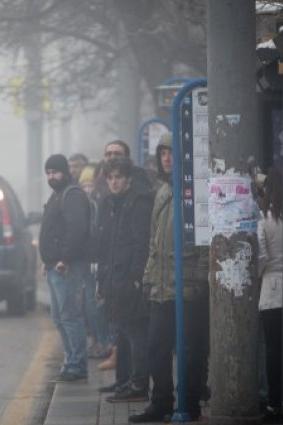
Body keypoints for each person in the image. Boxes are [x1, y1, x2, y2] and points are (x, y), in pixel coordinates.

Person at [130, 133, 210, 423]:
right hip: (161, 287)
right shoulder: (162, 192)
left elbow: (206, 240)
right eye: (162, 152)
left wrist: (201, 279)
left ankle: (189, 404)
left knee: (190, 349)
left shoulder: (196, 191)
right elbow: (154, 243)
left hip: (188, 286)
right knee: (156, 347)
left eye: (171, 152)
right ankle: (161, 402)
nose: (166, 158)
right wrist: (149, 278)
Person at [96, 158, 153, 402]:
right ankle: (128, 381)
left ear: (128, 179)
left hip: (130, 280)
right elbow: (109, 247)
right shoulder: (114, 203)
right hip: (116, 279)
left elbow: (141, 244)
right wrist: (104, 282)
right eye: (110, 178)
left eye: (118, 177)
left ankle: (139, 385)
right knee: (124, 330)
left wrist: (135, 279)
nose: (113, 182)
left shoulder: (137, 203)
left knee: (135, 332)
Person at [39, 153, 91, 381]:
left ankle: (77, 365)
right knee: (59, 318)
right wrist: (47, 261)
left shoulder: (72, 195)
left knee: (70, 317)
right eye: (48, 173)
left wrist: (64, 259)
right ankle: (70, 361)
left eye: (55, 172)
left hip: (66, 267)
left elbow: (76, 229)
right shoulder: (57, 195)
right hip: (54, 267)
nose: (51, 176)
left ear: (65, 172)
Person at [258, 167, 283, 424]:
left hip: (271, 291)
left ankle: (274, 404)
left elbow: (262, 258)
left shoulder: (264, 219)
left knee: (273, 351)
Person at [79, 165, 112, 361]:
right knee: (91, 303)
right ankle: (101, 341)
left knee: (95, 303)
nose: (88, 188)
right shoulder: (90, 203)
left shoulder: (95, 204)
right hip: (91, 259)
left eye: (90, 184)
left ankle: (104, 341)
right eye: (84, 185)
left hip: (95, 260)